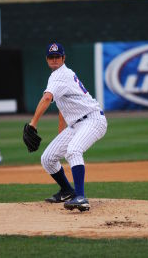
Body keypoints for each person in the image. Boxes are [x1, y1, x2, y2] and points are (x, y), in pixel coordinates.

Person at [29, 43, 107, 211]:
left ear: (63, 58)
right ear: (46, 60)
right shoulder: (59, 76)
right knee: (48, 158)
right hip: (75, 124)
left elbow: (47, 98)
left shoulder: (60, 75)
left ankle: (81, 197)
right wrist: (61, 132)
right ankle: (67, 191)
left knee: (73, 150)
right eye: (51, 57)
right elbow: (62, 106)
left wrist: (32, 124)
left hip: (92, 120)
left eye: (57, 56)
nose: (54, 59)